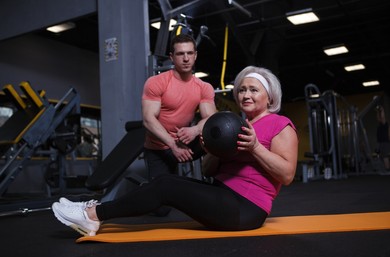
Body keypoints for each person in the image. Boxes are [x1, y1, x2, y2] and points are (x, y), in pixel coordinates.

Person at [52, 65, 299, 237]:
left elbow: (287, 175)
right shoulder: (237, 125)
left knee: (165, 187)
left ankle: (92, 214)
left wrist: (255, 147)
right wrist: (212, 149)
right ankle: (92, 213)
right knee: (165, 180)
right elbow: (209, 170)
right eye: (242, 89)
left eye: (253, 90)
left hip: (247, 208)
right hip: (224, 195)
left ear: (269, 97)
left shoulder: (280, 125)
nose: (245, 94)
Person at [142, 34, 217, 180]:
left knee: (218, 135)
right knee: (161, 191)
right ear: (172, 57)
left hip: (185, 142)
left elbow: (210, 118)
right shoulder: (156, 82)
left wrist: (195, 130)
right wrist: (173, 145)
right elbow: (148, 119)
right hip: (159, 148)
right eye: (180, 54)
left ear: (195, 55)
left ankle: (221, 188)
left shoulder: (204, 87)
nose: (186, 58)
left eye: (190, 53)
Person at [376, 105, 390, 171]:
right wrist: (377, 111)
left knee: (385, 156)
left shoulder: (385, 124)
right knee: (382, 156)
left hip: (385, 142)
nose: (380, 118)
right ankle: (386, 168)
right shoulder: (380, 124)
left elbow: (382, 116)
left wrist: (382, 109)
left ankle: (387, 169)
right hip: (380, 142)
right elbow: (379, 117)